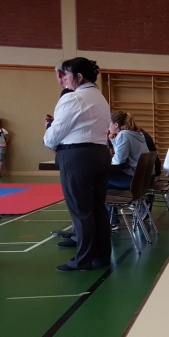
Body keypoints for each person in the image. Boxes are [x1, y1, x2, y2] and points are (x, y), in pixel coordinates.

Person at [43, 57, 112, 272]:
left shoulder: (73, 98)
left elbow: (52, 137)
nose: (64, 79)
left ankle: (82, 261)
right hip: (100, 154)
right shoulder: (100, 97)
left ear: (79, 76)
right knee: (98, 209)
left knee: (82, 211)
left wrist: (49, 132)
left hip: (78, 157)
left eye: (66, 75)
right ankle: (102, 256)